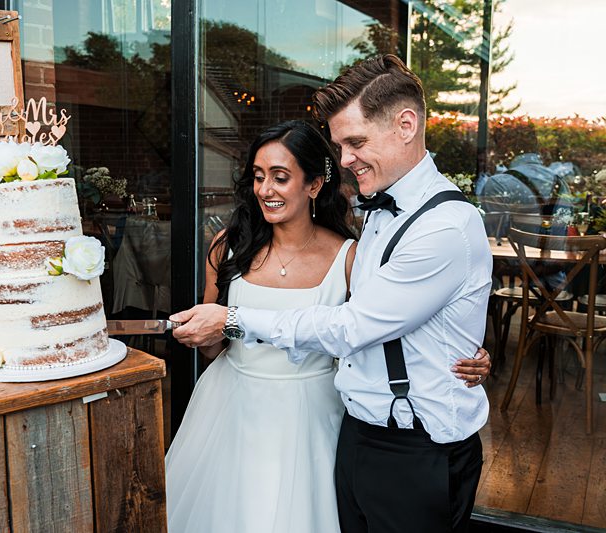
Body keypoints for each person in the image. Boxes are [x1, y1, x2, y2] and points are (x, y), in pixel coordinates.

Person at [171, 55, 493, 533]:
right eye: (340, 145)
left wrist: (234, 319)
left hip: (412, 447)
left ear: (406, 125)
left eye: (355, 142)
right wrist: (464, 348)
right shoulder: (377, 214)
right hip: (355, 435)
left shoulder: (444, 225)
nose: (344, 158)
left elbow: (351, 326)